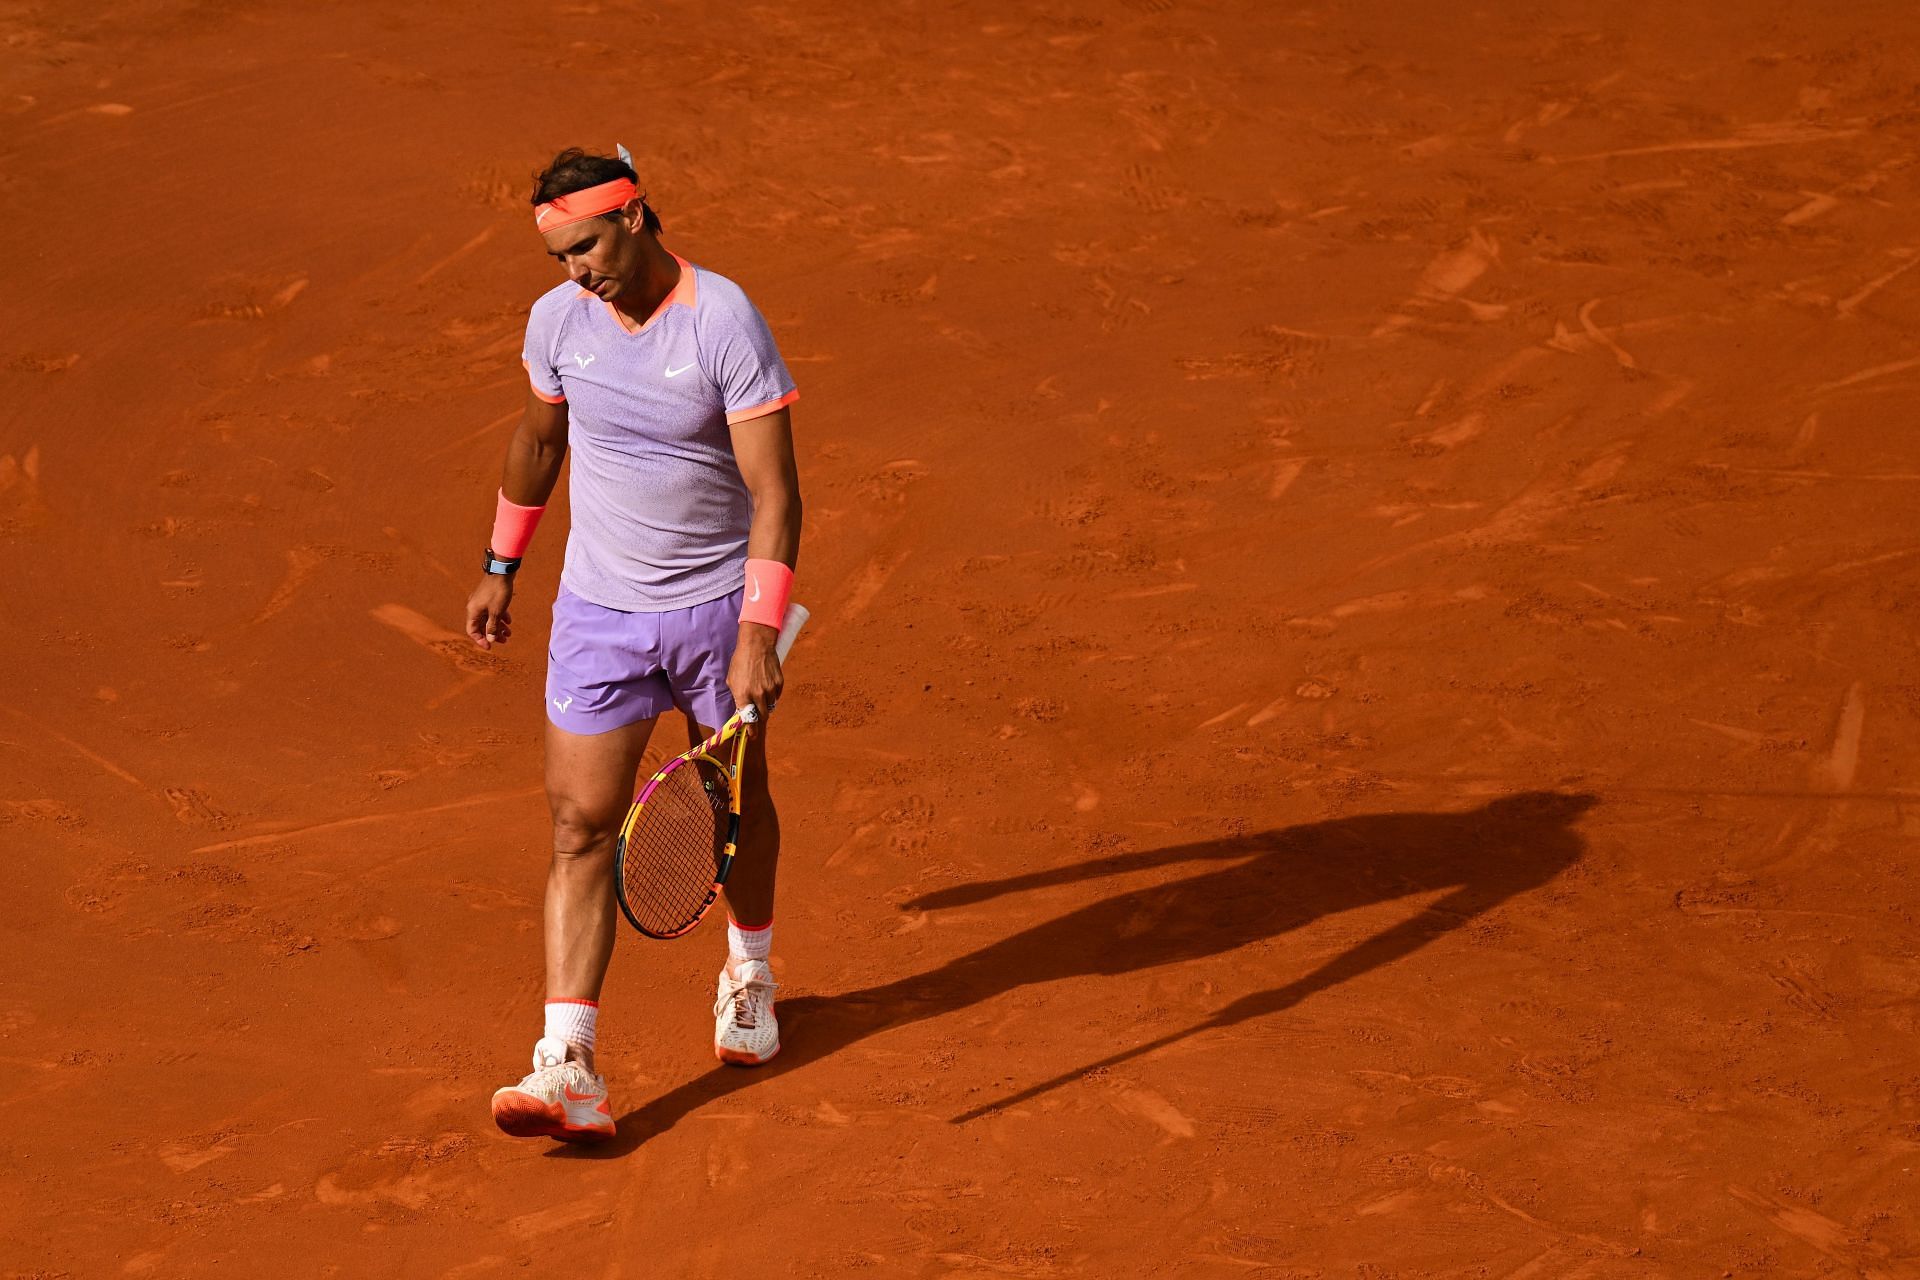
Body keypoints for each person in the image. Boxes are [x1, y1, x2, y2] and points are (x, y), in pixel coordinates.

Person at [464, 147, 802, 1142]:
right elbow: (537, 442)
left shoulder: (723, 320)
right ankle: (566, 1060)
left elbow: (777, 493)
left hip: (712, 612)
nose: (579, 269)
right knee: (578, 825)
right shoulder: (556, 322)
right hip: (598, 614)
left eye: (591, 245)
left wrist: (758, 630)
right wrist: (500, 561)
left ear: (638, 217)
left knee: (730, 799)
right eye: (563, 254)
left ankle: (751, 968)